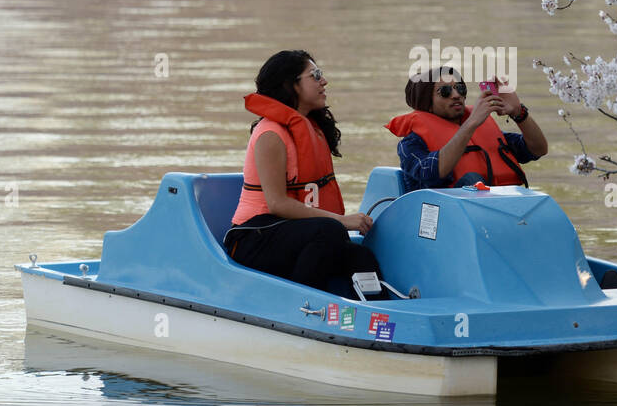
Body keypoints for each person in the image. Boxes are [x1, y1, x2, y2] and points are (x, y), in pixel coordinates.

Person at [223, 50, 386, 299]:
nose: (324, 81)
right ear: (292, 85)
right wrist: (341, 220)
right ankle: (303, 308)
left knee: (359, 255)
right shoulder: (270, 134)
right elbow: (277, 203)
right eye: (315, 75)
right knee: (330, 231)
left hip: (295, 233)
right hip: (251, 238)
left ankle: (378, 320)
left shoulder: (312, 129)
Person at [386, 67, 548, 192]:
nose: (456, 95)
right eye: (445, 91)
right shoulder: (410, 144)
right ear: (425, 103)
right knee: (472, 180)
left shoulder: (484, 133)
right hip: (441, 220)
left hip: (500, 213)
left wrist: (519, 113)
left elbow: (538, 149)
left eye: (460, 88)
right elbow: (432, 173)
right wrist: (471, 123)